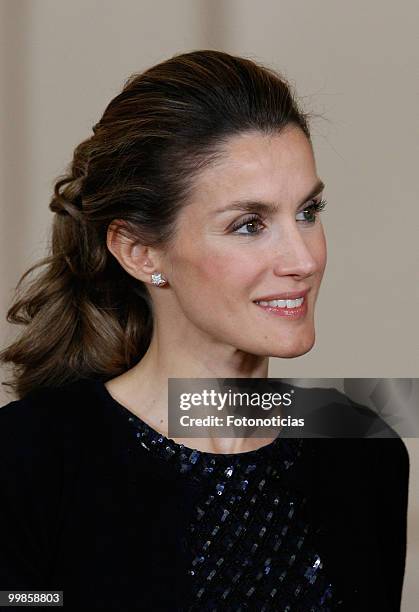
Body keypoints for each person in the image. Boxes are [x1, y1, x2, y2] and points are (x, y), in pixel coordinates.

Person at [0, 50, 409, 611]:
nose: (304, 258)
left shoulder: (360, 448)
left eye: (308, 212)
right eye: (249, 224)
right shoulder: (30, 457)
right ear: (139, 251)